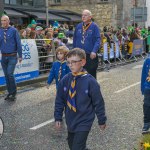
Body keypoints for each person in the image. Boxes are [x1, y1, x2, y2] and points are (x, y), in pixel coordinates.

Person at [54, 48, 107, 150]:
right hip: (71, 119)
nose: (70, 65)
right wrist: (58, 117)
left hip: (84, 120)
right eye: (68, 62)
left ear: (83, 62)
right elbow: (59, 100)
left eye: (74, 62)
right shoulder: (65, 80)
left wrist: (102, 120)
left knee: (77, 147)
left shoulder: (91, 82)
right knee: (73, 145)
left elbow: (98, 102)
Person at [73, 9, 101, 79]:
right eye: (82, 15)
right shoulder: (78, 26)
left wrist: (94, 51)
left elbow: (98, 40)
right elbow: (75, 39)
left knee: (91, 74)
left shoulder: (94, 26)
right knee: (79, 74)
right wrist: (74, 51)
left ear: (90, 17)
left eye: (85, 15)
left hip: (90, 55)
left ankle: (92, 89)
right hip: (79, 55)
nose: (83, 17)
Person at [0, 15, 22, 101]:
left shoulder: (14, 30)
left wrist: (20, 55)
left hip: (12, 56)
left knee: (10, 74)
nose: (3, 22)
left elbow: (18, 43)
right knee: (6, 75)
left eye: (5, 20)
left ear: (8, 21)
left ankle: (14, 93)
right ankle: (10, 93)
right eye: (2, 20)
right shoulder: (0, 31)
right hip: (3, 57)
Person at [141, 57, 150, 134]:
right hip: (148, 86)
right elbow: (144, 75)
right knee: (146, 105)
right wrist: (143, 88)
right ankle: (146, 123)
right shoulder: (147, 61)